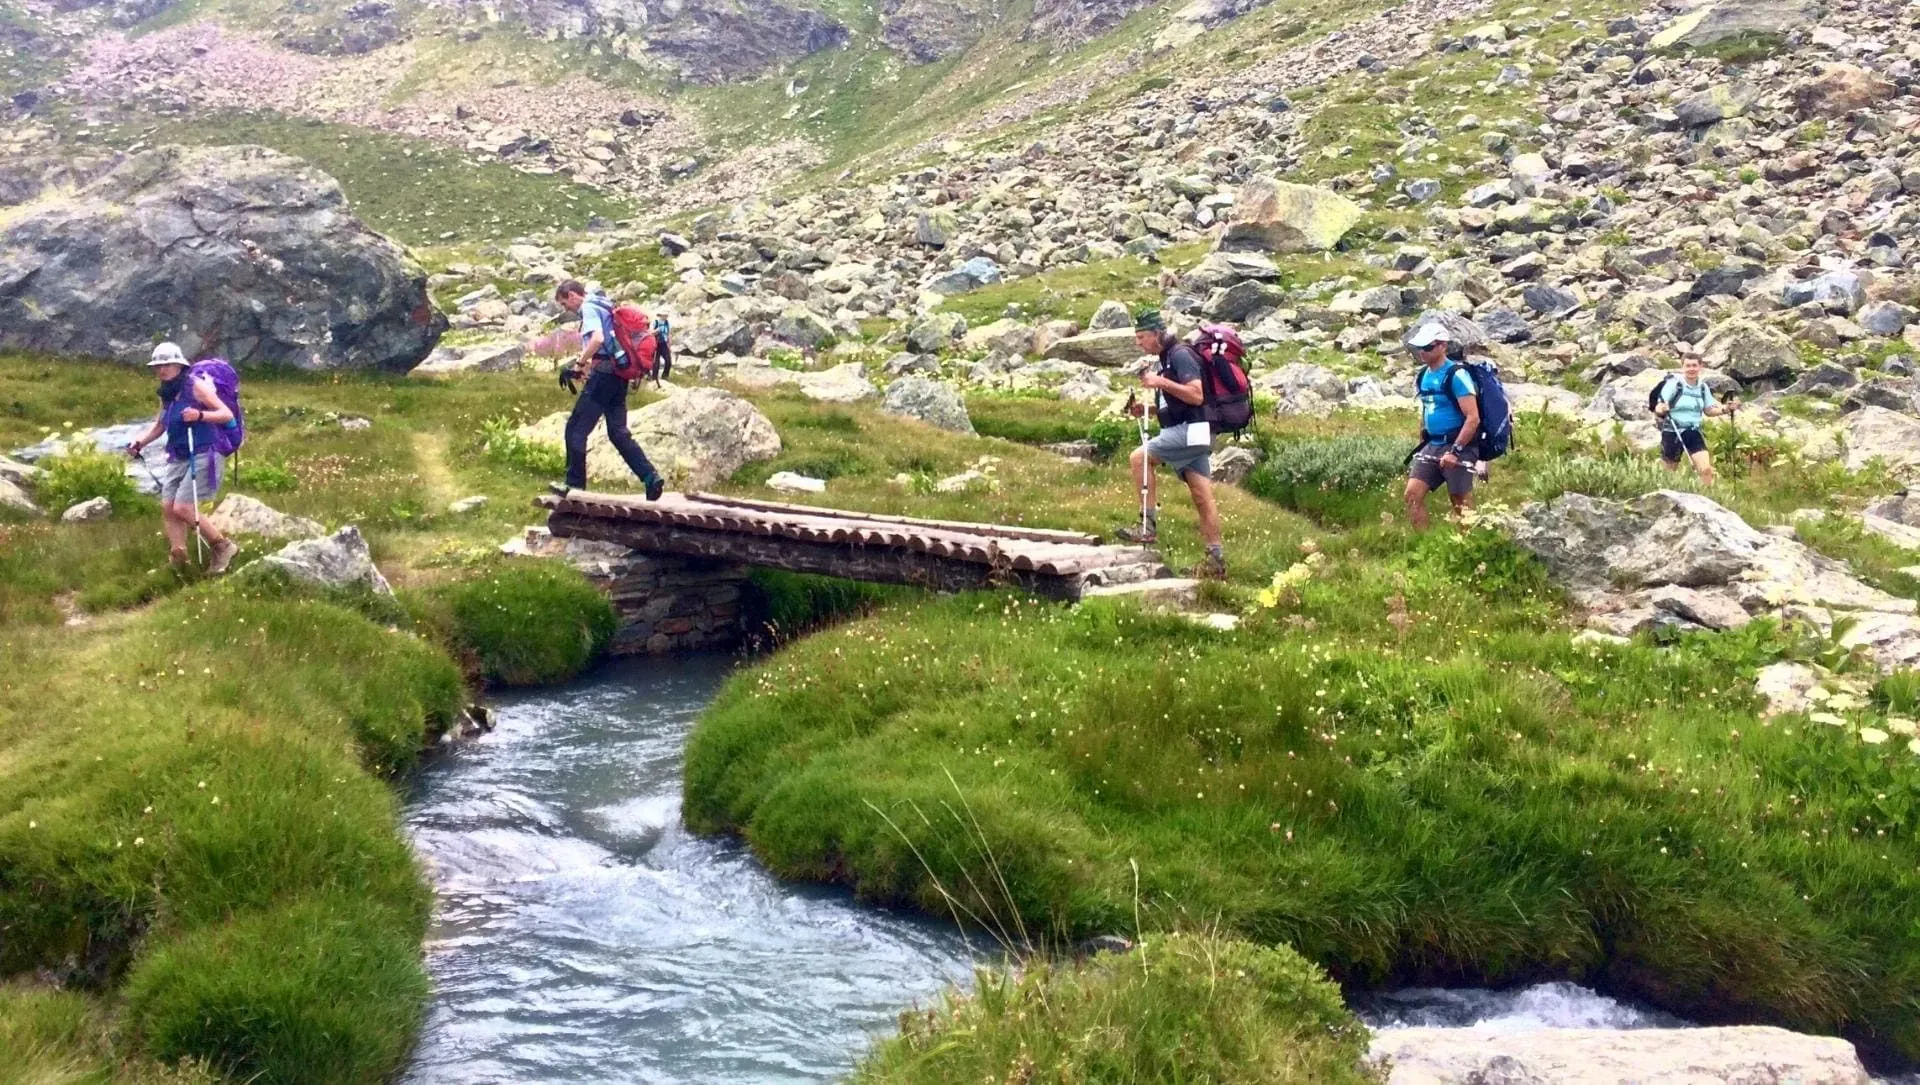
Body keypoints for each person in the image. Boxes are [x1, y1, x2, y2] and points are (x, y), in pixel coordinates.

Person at [1121, 308, 1225, 578]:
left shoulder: (1180, 355)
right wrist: (1149, 409)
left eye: (1142, 337)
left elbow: (1195, 395)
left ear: (1157, 334)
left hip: (1191, 430)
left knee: (1139, 458)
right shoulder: (1165, 358)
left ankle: (1147, 526)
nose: (1138, 342)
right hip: (1196, 433)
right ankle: (1215, 561)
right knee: (1202, 496)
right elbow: (1176, 404)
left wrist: (1159, 382)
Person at [127, 343, 240, 573]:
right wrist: (140, 442)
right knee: (168, 507)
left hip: (204, 451)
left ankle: (222, 546)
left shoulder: (195, 387)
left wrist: (199, 415)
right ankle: (179, 557)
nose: (162, 370)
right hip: (178, 454)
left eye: (166, 364)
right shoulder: (166, 392)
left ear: (179, 365)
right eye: (158, 366)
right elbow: (160, 425)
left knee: (183, 507)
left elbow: (225, 414)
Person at [552, 280, 666, 501]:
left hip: (604, 376)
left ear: (573, 295)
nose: (568, 310)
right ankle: (650, 477)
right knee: (618, 432)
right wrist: (586, 365)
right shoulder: (604, 304)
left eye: (566, 304)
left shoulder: (589, 308)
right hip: (618, 375)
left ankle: (574, 488)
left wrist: (578, 364)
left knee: (575, 429)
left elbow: (597, 339)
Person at [1404, 320, 1480, 531]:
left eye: (1428, 347)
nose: (1423, 352)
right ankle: (1423, 544)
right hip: (1432, 444)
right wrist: (1423, 439)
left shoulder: (1457, 375)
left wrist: (1455, 451)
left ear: (1442, 346)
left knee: (1459, 500)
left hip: (1458, 445)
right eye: (1420, 347)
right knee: (1412, 494)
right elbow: (1427, 407)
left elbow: (1473, 417)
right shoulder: (1423, 376)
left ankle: (1470, 544)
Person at [1653, 357, 1735, 484]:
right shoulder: (1674, 385)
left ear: (1700, 367)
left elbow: (1709, 410)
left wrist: (1725, 409)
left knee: (1706, 469)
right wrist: (1662, 408)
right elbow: (1659, 407)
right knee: (1668, 473)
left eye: (1694, 365)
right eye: (1688, 365)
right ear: (1683, 367)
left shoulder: (1702, 388)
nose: (1691, 369)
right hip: (1673, 430)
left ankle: (1708, 497)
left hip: (1693, 431)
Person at [652, 315, 673, 383]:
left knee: (668, 361)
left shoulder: (667, 323)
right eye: (664, 315)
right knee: (656, 362)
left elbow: (669, 334)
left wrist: (669, 345)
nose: (666, 316)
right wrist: (656, 331)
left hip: (664, 343)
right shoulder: (655, 322)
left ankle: (665, 376)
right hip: (656, 344)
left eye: (666, 315)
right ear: (660, 315)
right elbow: (650, 333)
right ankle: (654, 378)